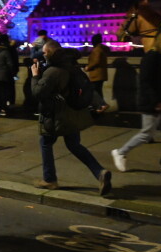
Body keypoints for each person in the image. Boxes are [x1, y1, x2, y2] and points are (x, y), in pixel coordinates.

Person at [31, 40, 112, 196]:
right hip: (74, 114)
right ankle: (100, 172)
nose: (43, 55)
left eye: (46, 52)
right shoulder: (74, 68)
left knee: (46, 142)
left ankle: (50, 179)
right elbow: (86, 86)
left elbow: (38, 93)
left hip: (56, 115)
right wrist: (99, 103)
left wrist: (35, 76)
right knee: (75, 145)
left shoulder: (53, 71)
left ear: (52, 53)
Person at [111, 29, 161, 178]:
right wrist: (155, 102)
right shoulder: (153, 57)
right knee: (147, 133)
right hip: (152, 103)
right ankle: (121, 152)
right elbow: (145, 82)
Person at [84, 33, 110, 108]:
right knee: (98, 91)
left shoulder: (97, 50)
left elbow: (96, 61)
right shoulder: (102, 49)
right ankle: (100, 106)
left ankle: (102, 105)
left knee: (95, 91)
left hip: (96, 74)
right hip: (101, 74)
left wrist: (88, 67)